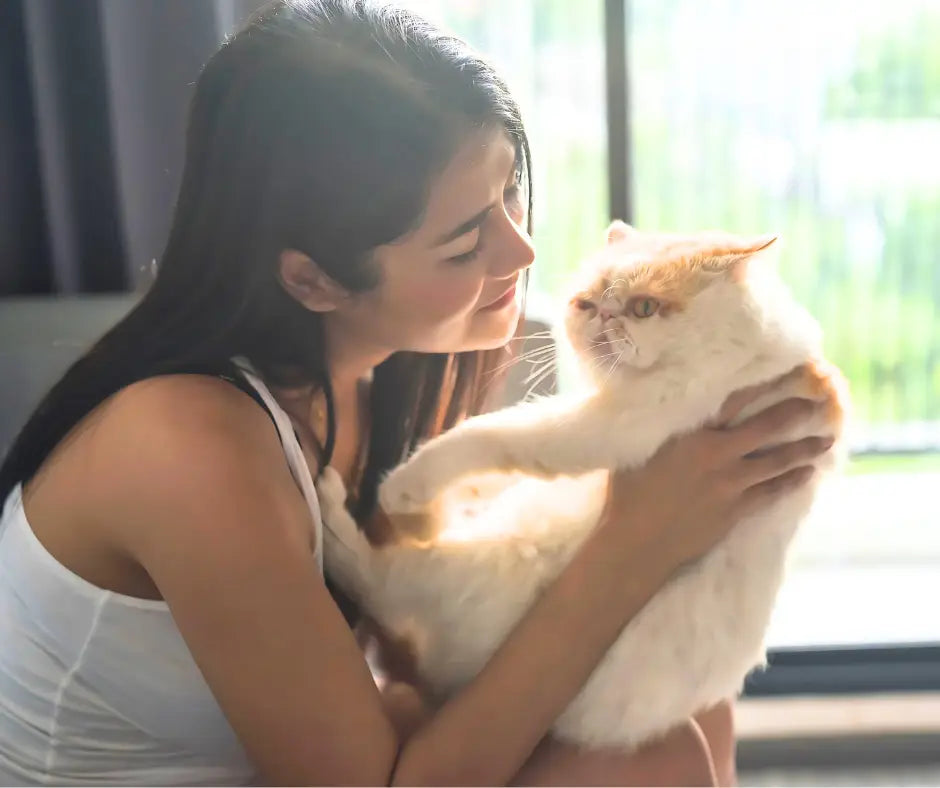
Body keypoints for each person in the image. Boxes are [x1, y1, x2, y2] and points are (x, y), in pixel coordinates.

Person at [0, 0, 835, 784]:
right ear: (315, 279)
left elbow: (408, 647)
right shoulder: (190, 447)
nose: (521, 253)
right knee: (653, 761)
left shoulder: (386, 362)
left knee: (690, 706)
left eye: (510, 192)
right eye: (466, 240)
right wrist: (635, 541)